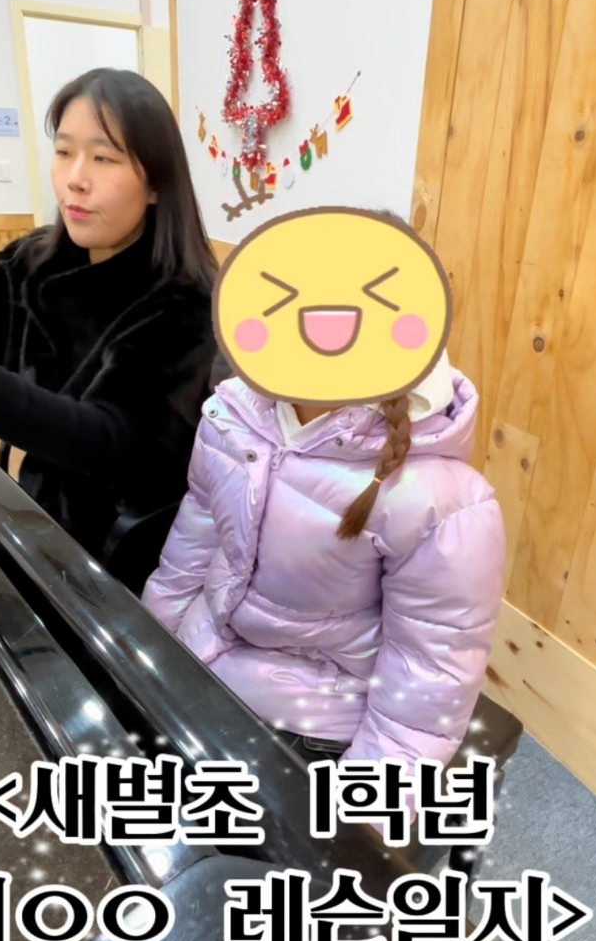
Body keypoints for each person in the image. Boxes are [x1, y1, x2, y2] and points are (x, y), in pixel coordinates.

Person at [143, 330, 506, 833]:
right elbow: (195, 537)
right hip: (202, 658)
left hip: (311, 721)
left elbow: (430, 669)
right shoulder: (233, 414)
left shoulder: (440, 500)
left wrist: (364, 815)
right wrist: (144, 651)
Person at [0, 69, 217, 595]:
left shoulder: (187, 301)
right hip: (37, 516)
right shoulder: (37, 256)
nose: (74, 179)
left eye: (104, 158)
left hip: (121, 560)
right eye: (64, 152)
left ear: (157, 183)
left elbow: (101, 441)